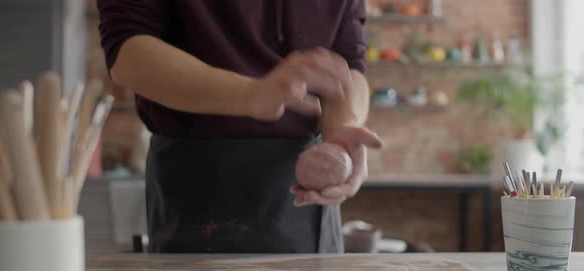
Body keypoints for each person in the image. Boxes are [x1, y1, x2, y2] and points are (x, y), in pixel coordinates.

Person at [97, 0, 383, 253]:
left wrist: (344, 129)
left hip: (309, 205)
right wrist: (252, 94)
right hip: (197, 189)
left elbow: (349, 65)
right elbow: (128, 51)